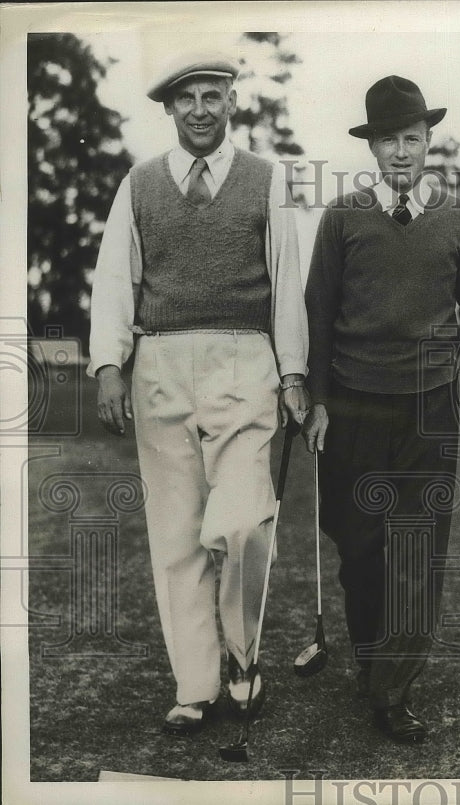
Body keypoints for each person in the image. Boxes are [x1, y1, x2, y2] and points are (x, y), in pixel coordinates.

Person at [88, 52, 309, 735]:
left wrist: (295, 370)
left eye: (213, 95)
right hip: (159, 364)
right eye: (188, 100)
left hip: (245, 362)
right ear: (170, 109)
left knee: (242, 521)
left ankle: (243, 657)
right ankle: (197, 682)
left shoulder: (265, 181)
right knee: (177, 535)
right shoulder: (141, 184)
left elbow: (287, 282)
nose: (202, 110)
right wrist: (108, 366)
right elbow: (115, 281)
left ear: (231, 101)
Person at [301, 75, 460, 743]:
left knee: (417, 551)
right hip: (354, 405)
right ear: (372, 147)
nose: (401, 152)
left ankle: (393, 688)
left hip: (431, 409)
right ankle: (370, 655)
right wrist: (319, 402)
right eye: (388, 140)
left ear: (428, 141)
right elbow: (318, 316)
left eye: (411, 138)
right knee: (359, 550)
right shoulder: (342, 216)